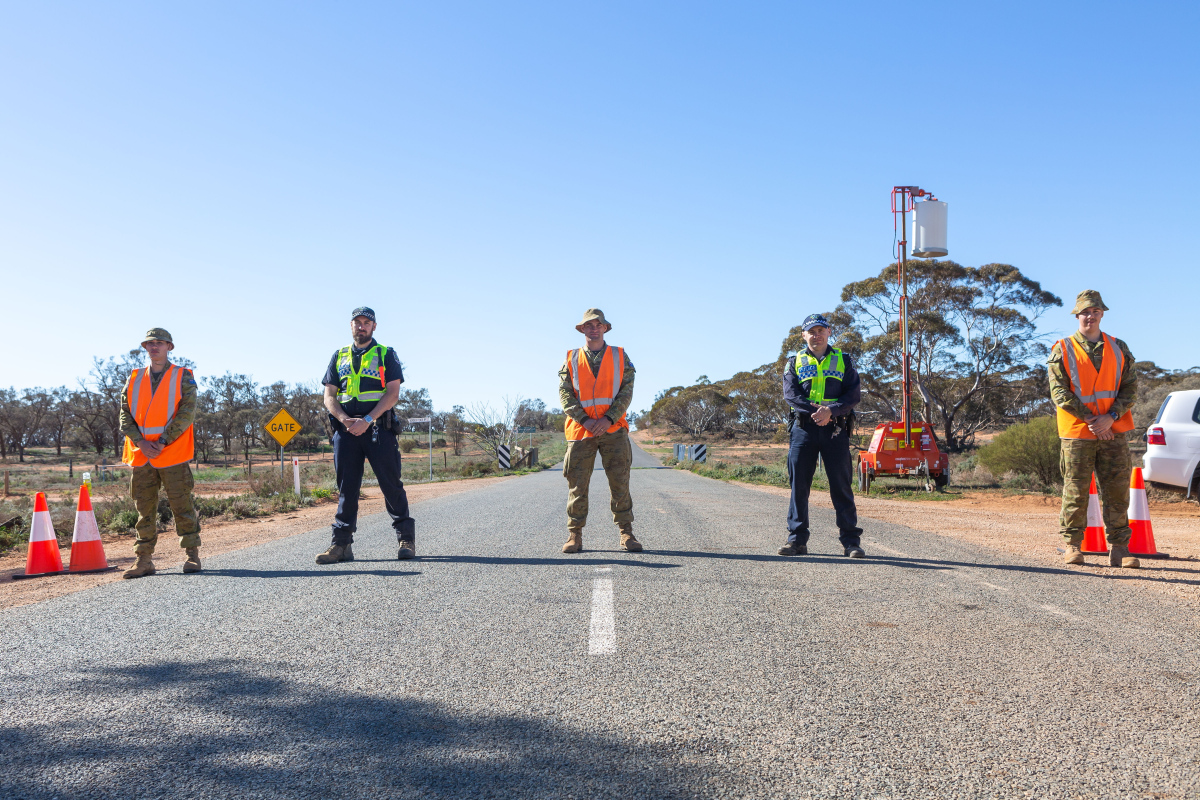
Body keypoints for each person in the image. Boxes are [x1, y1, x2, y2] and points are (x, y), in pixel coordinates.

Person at [316, 307, 417, 564]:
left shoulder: (386, 354)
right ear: (351, 326)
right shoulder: (338, 356)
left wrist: (368, 420)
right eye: (357, 322)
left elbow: (393, 393)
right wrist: (344, 420)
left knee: (390, 485)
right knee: (346, 490)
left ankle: (406, 539)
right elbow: (329, 396)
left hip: (378, 430)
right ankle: (341, 545)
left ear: (374, 327)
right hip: (346, 431)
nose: (361, 327)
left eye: (366, 323)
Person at [1049, 290, 1140, 568]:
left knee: (1117, 490)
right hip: (1078, 432)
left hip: (1112, 430)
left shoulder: (1118, 347)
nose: (1090, 316)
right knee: (1075, 490)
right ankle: (1073, 547)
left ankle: (1120, 549)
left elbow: (1131, 388)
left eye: (1096, 311)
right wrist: (1093, 420)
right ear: (1077, 315)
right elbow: (1059, 392)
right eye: (1086, 312)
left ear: (1102, 314)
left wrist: (1110, 417)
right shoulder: (1062, 348)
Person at [779, 314, 865, 558]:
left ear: (829, 333)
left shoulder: (844, 360)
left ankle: (851, 542)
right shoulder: (793, 361)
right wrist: (819, 412)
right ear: (803, 335)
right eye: (811, 331)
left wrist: (831, 412)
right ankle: (796, 541)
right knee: (799, 487)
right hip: (803, 429)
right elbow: (791, 395)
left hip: (835, 430)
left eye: (821, 330)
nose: (816, 335)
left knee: (841, 485)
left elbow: (853, 394)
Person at [119, 328, 201, 578]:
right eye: (150, 343)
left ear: (169, 347)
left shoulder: (183, 376)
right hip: (142, 454)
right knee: (144, 509)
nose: (154, 347)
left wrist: (163, 441)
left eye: (160, 343)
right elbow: (124, 414)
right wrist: (141, 442)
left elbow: (187, 412)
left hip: (172, 453)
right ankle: (143, 561)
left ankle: (192, 556)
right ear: (145, 348)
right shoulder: (133, 377)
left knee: (181, 505)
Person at [559, 308, 641, 554]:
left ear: (605, 328)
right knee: (577, 485)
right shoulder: (571, 358)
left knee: (620, 482)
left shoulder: (620, 356)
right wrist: (585, 420)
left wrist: (608, 419)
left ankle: (626, 533)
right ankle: (575, 535)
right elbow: (565, 393)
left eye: (598, 325)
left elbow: (627, 391)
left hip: (613, 430)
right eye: (588, 325)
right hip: (580, 431)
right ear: (582, 329)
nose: (593, 329)